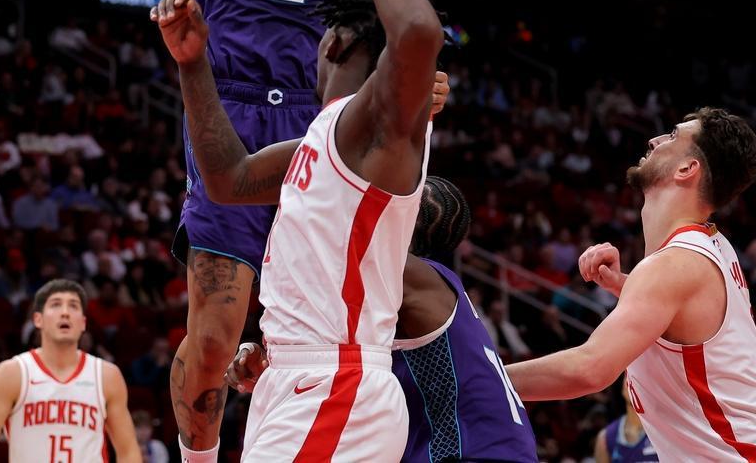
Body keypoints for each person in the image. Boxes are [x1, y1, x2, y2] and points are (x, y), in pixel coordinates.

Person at [130, 0, 429, 463]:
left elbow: (379, 29)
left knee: (324, 328)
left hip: (316, 123)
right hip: (229, 110)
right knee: (213, 339)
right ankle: (199, 457)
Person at [503, 109, 756, 462]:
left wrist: (478, 380)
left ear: (686, 169)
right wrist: (625, 285)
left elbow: (589, 370)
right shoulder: (713, 247)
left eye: (672, 135)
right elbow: (689, 320)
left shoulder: (674, 265)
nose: (654, 141)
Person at [226, 176, 539, 462]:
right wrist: (272, 358)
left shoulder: (403, 273)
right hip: (494, 449)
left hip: (474, 453)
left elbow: (323, 242)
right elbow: (321, 336)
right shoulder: (421, 287)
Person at [0, 279, 142, 462]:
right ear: (38, 319)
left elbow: (128, 451)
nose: (65, 313)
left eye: (73, 306)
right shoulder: (12, 373)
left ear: (83, 323)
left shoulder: (107, 376)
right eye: (56, 305)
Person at [595, 382, 659, 462]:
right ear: (622, 389)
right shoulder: (605, 437)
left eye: (637, 380)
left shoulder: (663, 429)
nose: (634, 385)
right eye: (629, 378)